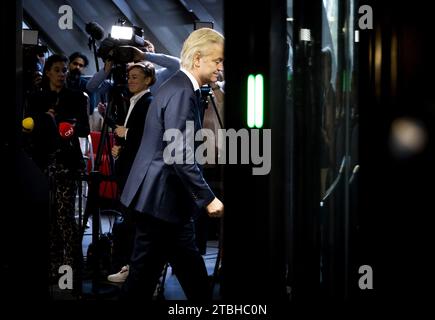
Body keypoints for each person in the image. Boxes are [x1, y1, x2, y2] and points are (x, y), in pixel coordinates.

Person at [119, 28, 224, 301]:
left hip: (162, 203)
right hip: (161, 203)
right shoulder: (182, 93)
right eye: (217, 61)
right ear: (198, 58)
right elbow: (179, 154)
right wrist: (208, 198)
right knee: (151, 280)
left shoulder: (177, 86)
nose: (220, 68)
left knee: (161, 278)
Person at [25, 54, 90, 287]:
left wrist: (68, 128)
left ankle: (71, 270)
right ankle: (52, 269)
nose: (62, 74)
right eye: (57, 70)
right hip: (42, 163)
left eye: (64, 70)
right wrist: (44, 120)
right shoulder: (37, 97)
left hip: (67, 163)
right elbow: (27, 127)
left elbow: (83, 129)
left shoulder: (76, 97)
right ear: (48, 72)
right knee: (47, 218)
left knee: (64, 219)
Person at [105, 62, 156, 282]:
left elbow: (149, 134)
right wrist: (121, 147)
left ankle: (138, 271)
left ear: (148, 80)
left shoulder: (149, 102)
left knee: (135, 223)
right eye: (130, 76)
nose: (131, 80)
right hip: (128, 168)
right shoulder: (134, 101)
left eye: (136, 77)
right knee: (129, 222)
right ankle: (132, 269)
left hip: (137, 172)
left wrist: (127, 133)